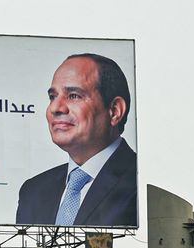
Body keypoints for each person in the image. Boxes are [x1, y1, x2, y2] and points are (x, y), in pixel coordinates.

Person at [15, 53, 137, 228]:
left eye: (73, 95)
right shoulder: (33, 191)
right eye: (52, 97)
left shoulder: (139, 183)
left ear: (115, 110)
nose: (55, 108)